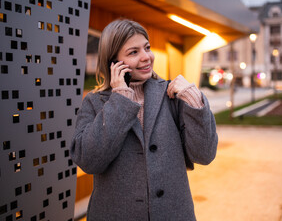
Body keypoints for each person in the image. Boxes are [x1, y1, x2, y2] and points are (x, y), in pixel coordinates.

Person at [71, 19, 218, 220]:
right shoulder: (95, 103)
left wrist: (195, 101)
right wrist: (120, 100)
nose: (146, 57)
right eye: (134, 52)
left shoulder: (172, 96)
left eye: (147, 48)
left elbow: (204, 154)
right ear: (113, 62)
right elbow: (89, 161)